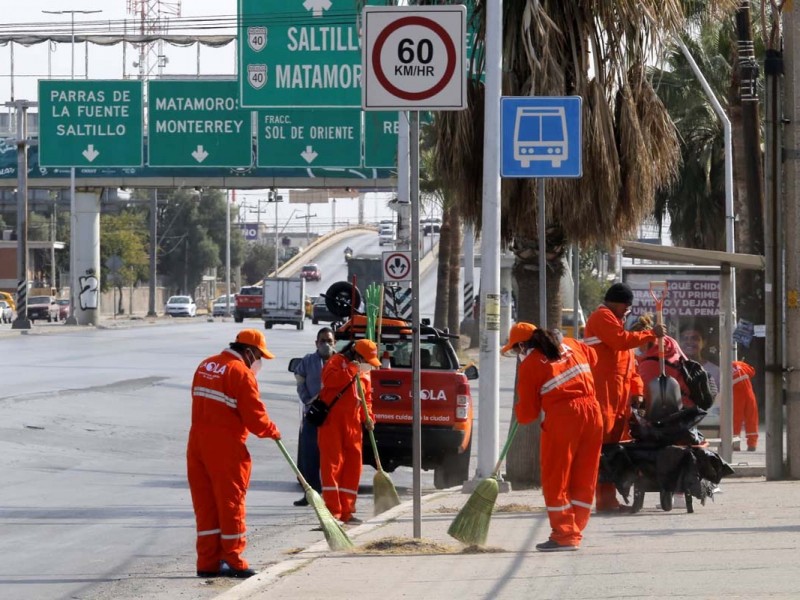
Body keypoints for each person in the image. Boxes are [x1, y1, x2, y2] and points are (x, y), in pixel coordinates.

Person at [187, 329, 281, 579]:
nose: (260, 362)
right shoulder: (241, 373)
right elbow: (256, 419)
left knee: (206, 505)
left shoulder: (206, 365)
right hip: (225, 447)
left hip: (197, 444)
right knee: (231, 504)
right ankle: (233, 559)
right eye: (260, 356)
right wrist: (272, 430)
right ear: (249, 352)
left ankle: (207, 562)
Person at [504, 322, 603, 552]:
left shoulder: (530, 365)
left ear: (522, 345)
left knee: (555, 477)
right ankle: (575, 528)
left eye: (515, 350)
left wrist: (521, 407)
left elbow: (527, 415)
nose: (517, 355)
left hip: (564, 417)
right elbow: (594, 360)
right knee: (585, 473)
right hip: (593, 412)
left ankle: (564, 534)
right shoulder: (571, 343)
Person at [583, 282, 665, 512]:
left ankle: (609, 500)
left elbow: (631, 370)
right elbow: (621, 341)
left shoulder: (618, 327)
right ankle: (603, 501)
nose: (627, 312)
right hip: (601, 400)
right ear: (615, 302)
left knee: (612, 453)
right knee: (603, 453)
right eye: (626, 307)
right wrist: (651, 333)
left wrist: (638, 393)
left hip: (616, 404)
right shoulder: (602, 317)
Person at [318, 338, 379, 524]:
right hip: (332, 423)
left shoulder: (365, 372)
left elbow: (366, 397)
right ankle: (333, 512)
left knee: (353, 466)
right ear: (356, 355)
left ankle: (347, 511)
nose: (368, 365)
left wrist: (368, 417)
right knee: (332, 466)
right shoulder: (336, 362)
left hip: (353, 425)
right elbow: (329, 381)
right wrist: (352, 369)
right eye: (366, 360)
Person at [292, 327, 336, 506]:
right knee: (309, 456)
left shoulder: (340, 362)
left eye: (329, 341)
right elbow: (300, 378)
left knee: (331, 458)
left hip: (333, 418)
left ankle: (332, 496)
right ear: (316, 343)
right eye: (322, 341)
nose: (326, 344)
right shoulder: (308, 361)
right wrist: (307, 399)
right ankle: (311, 494)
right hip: (313, 415)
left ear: (335, 343)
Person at [678, 324, 721, 391]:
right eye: (684, 338)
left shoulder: (716, 372)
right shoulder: (674, 368)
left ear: (704, 343)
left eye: (694, 338)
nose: (689, 342)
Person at [732, 360, 759, 451]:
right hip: (748, 393)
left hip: (735, 395)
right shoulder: (741, 365)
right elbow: (752, 371)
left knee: (736, 419)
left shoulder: (723, 367)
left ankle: (735, 444)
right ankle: (752, 444)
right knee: (752, 418)